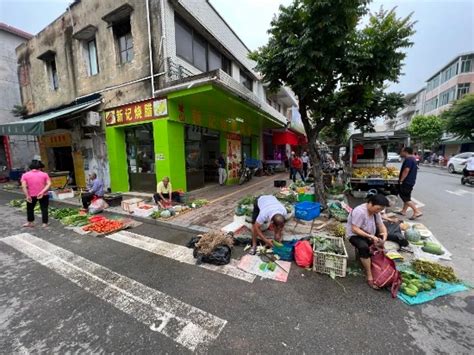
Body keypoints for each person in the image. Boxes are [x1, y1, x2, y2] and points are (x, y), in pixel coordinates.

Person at [347, 194, 389, 289]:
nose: (378, 211)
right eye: (378, 209)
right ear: (370, 204)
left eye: (380, 210)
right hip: (355, 235)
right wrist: (370, 236)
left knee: (381, 242)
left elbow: (381, 226)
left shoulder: (376, 212)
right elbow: (355, 229)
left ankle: (373, 262)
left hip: (369, 234)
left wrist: (384, 238)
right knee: (363, 247)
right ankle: (369, 274)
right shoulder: (360, 211)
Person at [21, 160, 51, 228]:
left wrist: (27, 195)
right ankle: (45, 223)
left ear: (30, 167)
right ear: (39, 167)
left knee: (30, 209)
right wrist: (42, 192)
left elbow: (24, 186)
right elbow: (49, 184)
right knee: (44, 208)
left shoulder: (25, 175)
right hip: (44, 195)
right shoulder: (44, 174)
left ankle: (30, 222)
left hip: (31, 195)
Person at [397, 147, 423, 220]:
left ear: (406, 152)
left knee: (405, 197)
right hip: (411, 181)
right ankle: (403, 211)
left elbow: (406, 170)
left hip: (407, 182)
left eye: (402, 151)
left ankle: (417, 211)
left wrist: (401, 180)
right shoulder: (413, 159)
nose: (401, 153)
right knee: (407, 197)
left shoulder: (408, 159)